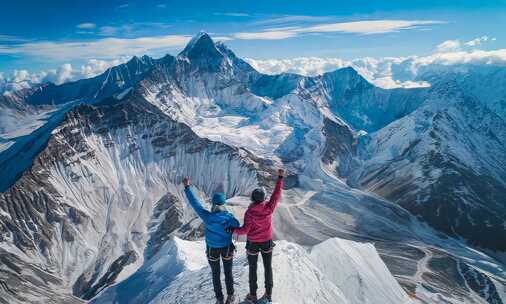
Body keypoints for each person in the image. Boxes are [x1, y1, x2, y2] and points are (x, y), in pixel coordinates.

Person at [229, 169, 284, 304]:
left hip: (253, 243)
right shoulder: (269, 208)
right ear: (264, 198)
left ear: (253, 198)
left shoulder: (249, 213)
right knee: (268, 267)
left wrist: (233, 230)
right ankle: (268, 294)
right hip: (267, 242)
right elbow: (276, 195)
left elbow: (245, 230)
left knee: (252, 269)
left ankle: (253, 295)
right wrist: (280, 178)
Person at [182, 177, 241, 304]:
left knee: (215, 274)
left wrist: (187, 188)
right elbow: (237, 225)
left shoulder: (207, 217)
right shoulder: (229, 217)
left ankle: (219, 299)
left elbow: (195, 203)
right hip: (226, 248)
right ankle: (230, 297)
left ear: (213, 205)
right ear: (223, 204)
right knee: (228, 272)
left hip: (212, 249)